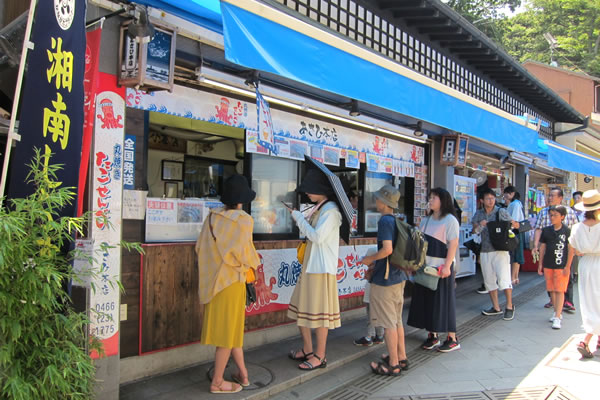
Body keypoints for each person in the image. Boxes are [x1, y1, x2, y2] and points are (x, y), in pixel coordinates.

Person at [195, 174, 261, 394]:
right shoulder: (243, 220)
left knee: (231, 331)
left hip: (214, 283)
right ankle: (217, 382)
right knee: (227, 334)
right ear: (242, 199)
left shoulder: (212, 218)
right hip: (233, 283)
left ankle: (243, 374)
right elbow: (247, 256)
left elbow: (200, 249)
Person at [286, 169, 342, 370]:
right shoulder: (320, 208)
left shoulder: (332, 211)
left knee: (319, 315)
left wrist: (298, 218)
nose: (307, 193)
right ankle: (308, 350)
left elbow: (317, 237)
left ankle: (320, 356)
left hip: (320, 270)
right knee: (302, 310)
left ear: (321, 190)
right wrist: (302, 217)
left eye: (310, 190)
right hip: (310, 267)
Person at [361, 185, 409, 375]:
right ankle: (401, 357)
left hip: (386, 281)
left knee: (388, 323)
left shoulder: (384, 222)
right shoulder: (397, 221)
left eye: (378, 198)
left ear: (384, 202)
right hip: (398, 277)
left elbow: (387, 249)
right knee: (396, 321)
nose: (376, 201)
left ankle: (393, 364)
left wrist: (369, 260)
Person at [408, 188, 460, 352]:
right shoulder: (426, 220)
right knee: (428, 301)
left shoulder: (450, 220)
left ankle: (452, 338)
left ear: (443, 200)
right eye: (429, 198)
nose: (430, 200)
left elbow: (453, 243)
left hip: (441, 268)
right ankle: (433, 335)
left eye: (434, 198)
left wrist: (447, 266)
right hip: (426, 266)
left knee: (445, 302)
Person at [471, 188, 520, 321]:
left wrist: (513, 224)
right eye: (488, 198)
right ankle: (496, 307)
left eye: (492, 198)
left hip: (500, 249)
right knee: (489, 280)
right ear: (482, 200)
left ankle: (509, 306)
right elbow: (474, 230)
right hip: (486, 250)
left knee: (504, 279)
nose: (491, 201)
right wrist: (480, 226)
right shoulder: (479, 214)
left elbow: (514, 224)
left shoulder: (501, 211)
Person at [565, 190, 600, 358]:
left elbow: (574, 249)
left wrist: (567, 267)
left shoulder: (577, 227)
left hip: (585, 265)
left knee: (589, 302)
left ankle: (592, 339)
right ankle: (586, 340)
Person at [532, 188, 578, 312]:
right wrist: (535, 245)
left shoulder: (569, 212)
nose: (550, 198)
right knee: (550, 278)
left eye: (553, 196)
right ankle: (553, 300)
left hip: (565, 250)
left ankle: (567, 301)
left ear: (560, 198)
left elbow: (575, 230)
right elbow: (538, 229)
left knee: (566, 275)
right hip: (549, 250)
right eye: (549, 195)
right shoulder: (543, 212)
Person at [537, 206, 571, 329]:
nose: (552, 217)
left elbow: (571, 249)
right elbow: (542, 247)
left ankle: (558, 316)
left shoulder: (567, 231)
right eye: (551, 215)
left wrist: (568, 266)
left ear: (562, 216)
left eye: (555, 215)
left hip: (561, 265)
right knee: (551, 289)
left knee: (560, 290)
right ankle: (556, 312)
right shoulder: (546, 230)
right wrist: (540, 263)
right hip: (548, 264)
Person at [503, 186, 525, 285]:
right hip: (518, 231)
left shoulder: (515, 204)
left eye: (506, 194)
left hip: (514, 231)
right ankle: (515, 277)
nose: (505, 196)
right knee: (517, 254)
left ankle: (513, 277)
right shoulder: (517, 203)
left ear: (511, 193)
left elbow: (514, 219)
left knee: (515, 255)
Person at [571, 191, 583, 283]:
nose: (576, 200)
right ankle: (575, 273)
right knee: (574, 256)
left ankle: (582, 273)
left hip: (584, 237)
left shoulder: (587, 211)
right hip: (574, 237)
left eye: (578, 198)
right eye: (575, 198)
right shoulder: (570, 211)